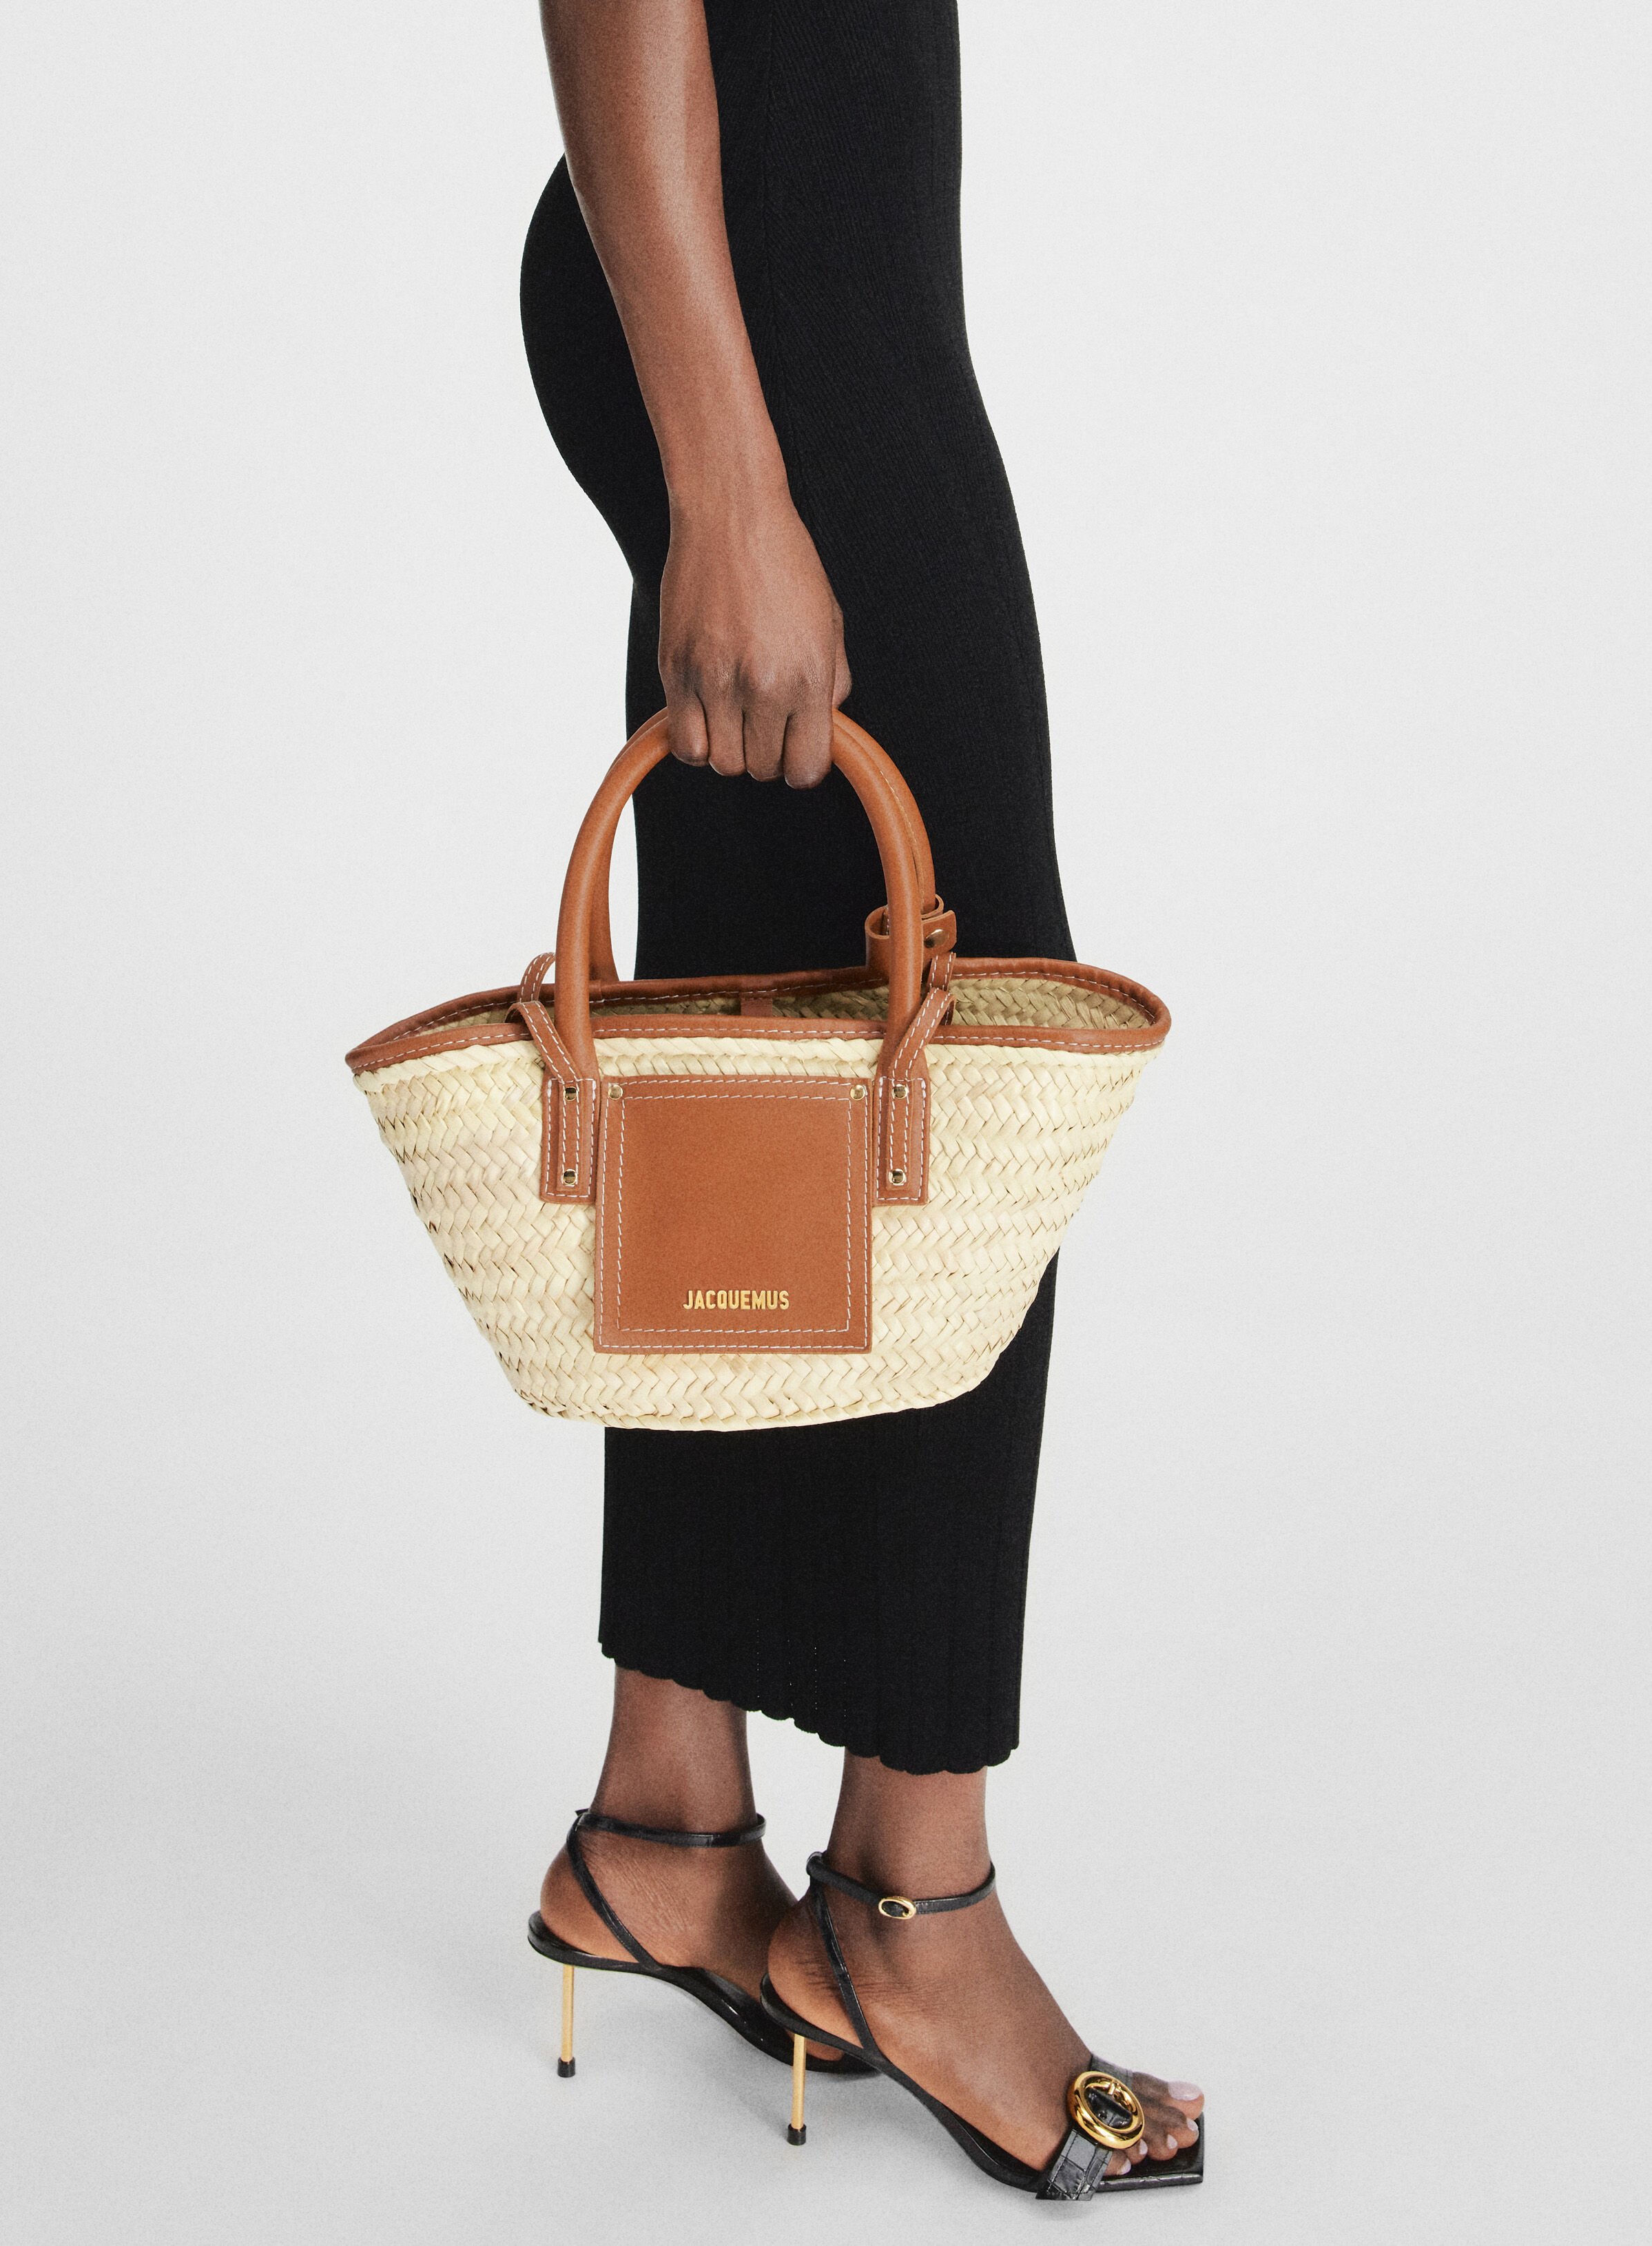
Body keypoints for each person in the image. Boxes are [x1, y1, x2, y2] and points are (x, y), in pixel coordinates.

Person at [519, 0, 1204, 2198]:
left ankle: (668, 1813)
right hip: (770, 294)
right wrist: (730, 480)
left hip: (804, 269)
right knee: (965, 1027)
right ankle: (915, 1900)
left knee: (766, 1045)